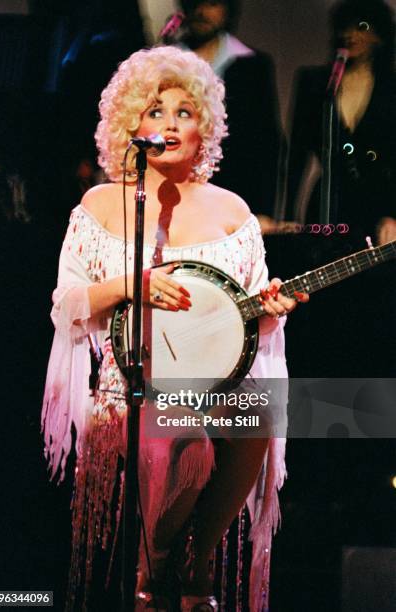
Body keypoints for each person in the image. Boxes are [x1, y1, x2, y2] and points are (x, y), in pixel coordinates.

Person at [42, 46, 305, 611]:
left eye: (184, 113)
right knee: (168, 424)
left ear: (204, 126)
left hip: (211, 389)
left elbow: (241, 314)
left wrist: (269, 306)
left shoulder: (233, 211)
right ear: (131, 123)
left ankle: (189, 558)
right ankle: (161, 575)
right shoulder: (102, 204)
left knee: (256, 411)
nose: (169, 124)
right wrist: (130, 285)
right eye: (156, 111)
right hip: (127, 389)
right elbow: (67, 304)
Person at [284, 0, 395, 377]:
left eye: (362, 26)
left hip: (377, 206)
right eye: (346, 27)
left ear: (380, 35)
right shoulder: (317, 82)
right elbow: (296, 152)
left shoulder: (392, 84)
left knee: (372, 302)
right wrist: (286, 218)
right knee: (324, 295)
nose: (352, 35)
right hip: (327, 202)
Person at [176, 0, 284, 231]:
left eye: (212, 3)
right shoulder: (167, 62)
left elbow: (266, 143)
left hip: (234, 196)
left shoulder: (252, 65)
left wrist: (263, 209)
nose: (201, 11)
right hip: (176, 196)